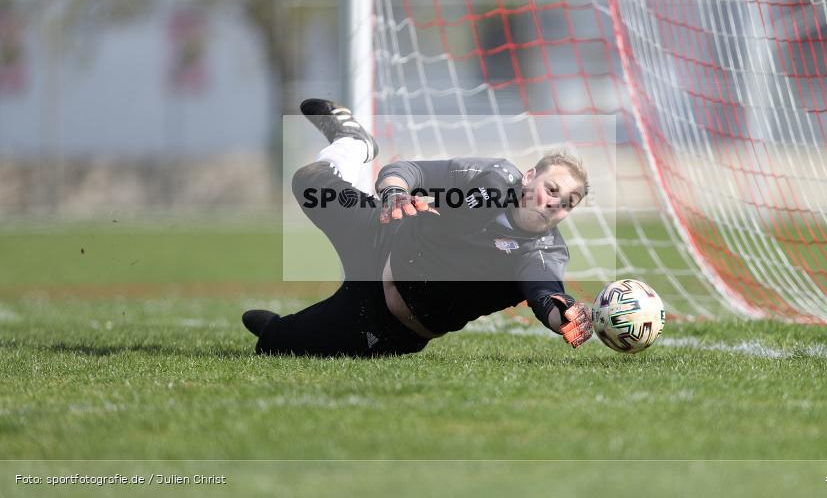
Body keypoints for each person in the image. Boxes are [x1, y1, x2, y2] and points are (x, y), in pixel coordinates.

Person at [242, 99, 593, 357]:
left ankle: (279, 329)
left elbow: (544, 292)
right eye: (552, 189)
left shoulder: (542, 252)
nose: (555, 203)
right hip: (382, 235)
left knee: (274, 344)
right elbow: (412, 171)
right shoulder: (492, 176)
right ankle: (354, 145)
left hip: (384, 322)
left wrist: (564, 314)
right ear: (529, 176)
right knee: (310, 182)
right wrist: (395, 192)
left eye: (568, 202)